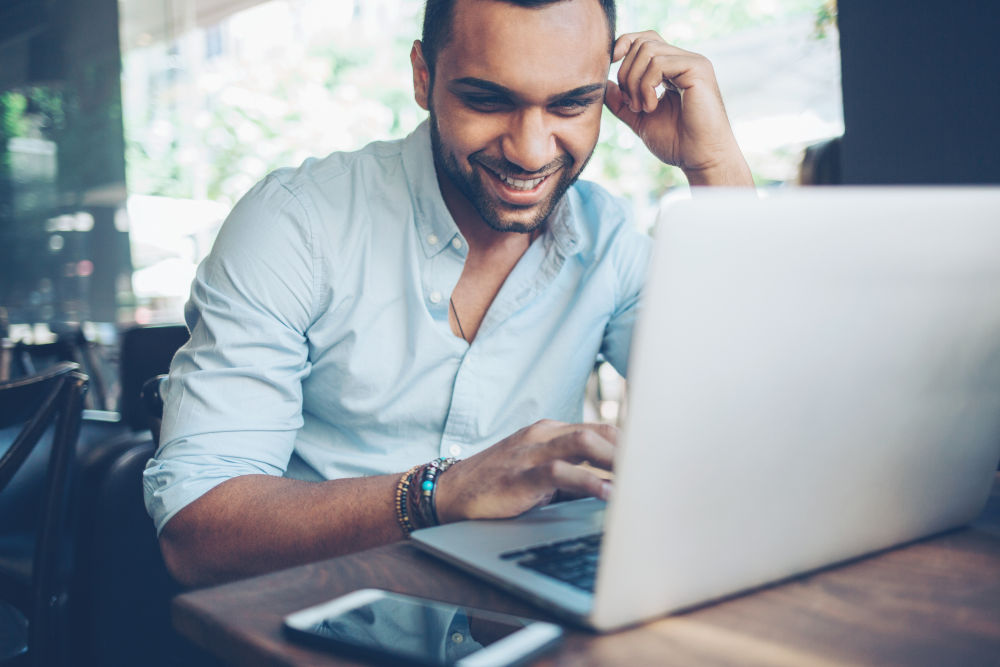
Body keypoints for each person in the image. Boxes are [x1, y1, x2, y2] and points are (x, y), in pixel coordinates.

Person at [143, 0, 753, 587]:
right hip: (320, 631)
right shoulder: (296, 225)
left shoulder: (608, 242)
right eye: (488, 100)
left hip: (523, 629)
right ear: (422, 76)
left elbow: (749, 417)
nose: (531, 150)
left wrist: (715, 166)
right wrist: (440, 493)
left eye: (572, 104)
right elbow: (196, 534)